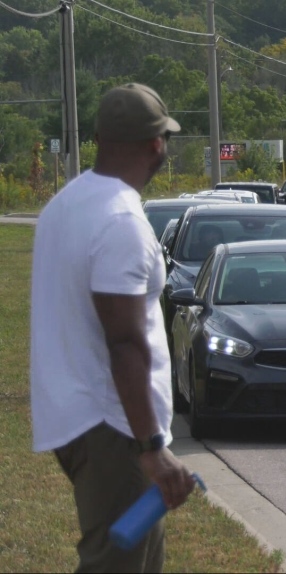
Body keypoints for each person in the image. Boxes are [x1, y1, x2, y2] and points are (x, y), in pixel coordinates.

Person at [30, 83, 196, 572]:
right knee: (116, 565)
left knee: (141, 561)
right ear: (155, 145)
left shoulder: (63, 206)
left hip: (78, 418)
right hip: (115, 428)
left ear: (99, 138)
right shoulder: (121, 221)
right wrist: (151, 448)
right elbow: (124, 343)